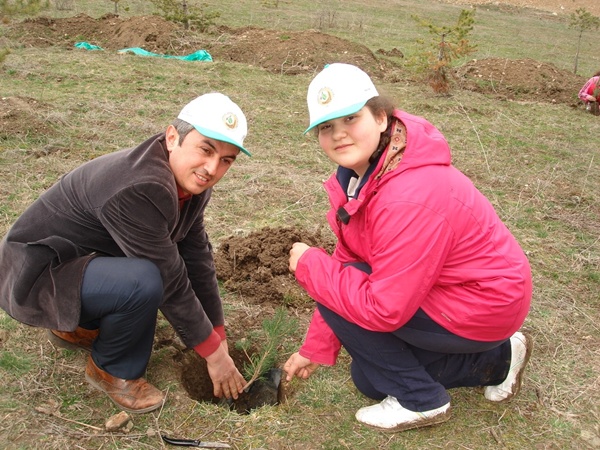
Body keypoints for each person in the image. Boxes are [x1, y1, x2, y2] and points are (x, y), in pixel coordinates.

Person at [283, 63, 533, 432]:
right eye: (326, 127)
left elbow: (384, 309)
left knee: (331, 279)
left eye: (351, 118)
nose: (338, 135)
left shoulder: (408, 194)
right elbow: (350, 258)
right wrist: (316, 347)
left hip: (483, 302)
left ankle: (422, 401)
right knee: (369, 378)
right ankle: (501, 358)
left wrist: (309, 266)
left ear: (381, 117)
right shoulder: (362, 176)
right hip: (448, 291)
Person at [0, 92, 249, 413]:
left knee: (145, 274)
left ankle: (75, 328)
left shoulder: (189, 181)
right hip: (33, 274)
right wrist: (214, 356)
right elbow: (169, 278)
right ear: (172, 137)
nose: (213, 167)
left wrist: (217, 333)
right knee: (143, 279)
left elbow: (196, 256)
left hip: (75, 263)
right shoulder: (142, 186)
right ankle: (113, 370)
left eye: (226, 159)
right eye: (206, 149)